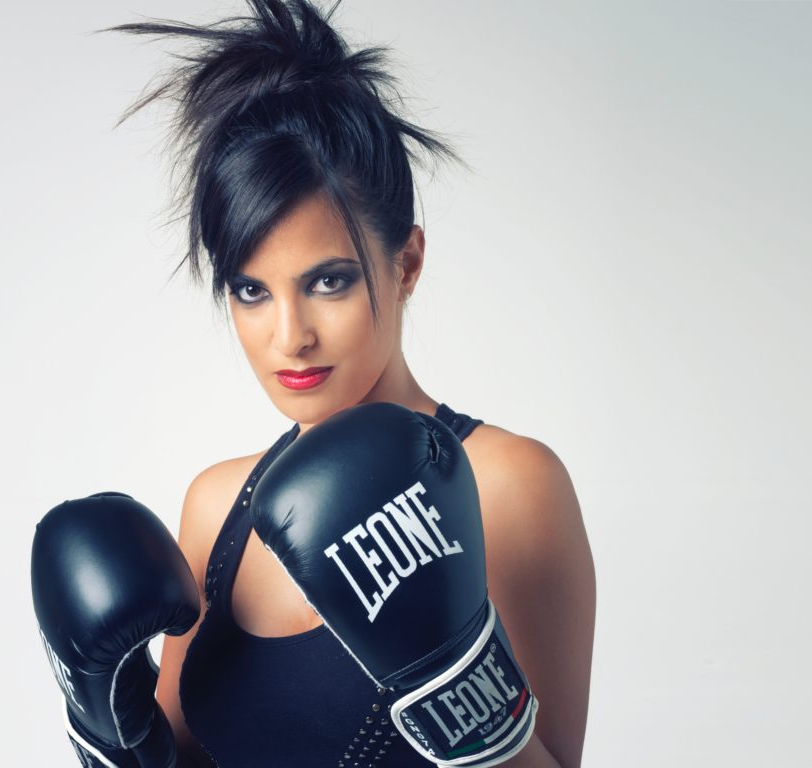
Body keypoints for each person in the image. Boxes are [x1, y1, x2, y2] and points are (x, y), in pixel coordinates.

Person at [66, 1, 595, 766]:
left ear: (406, 263)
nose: (290, 335)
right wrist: (108, 726)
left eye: (329, 281)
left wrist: (454, 684)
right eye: (252, 291)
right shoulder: (216, 508)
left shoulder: (510, 486)